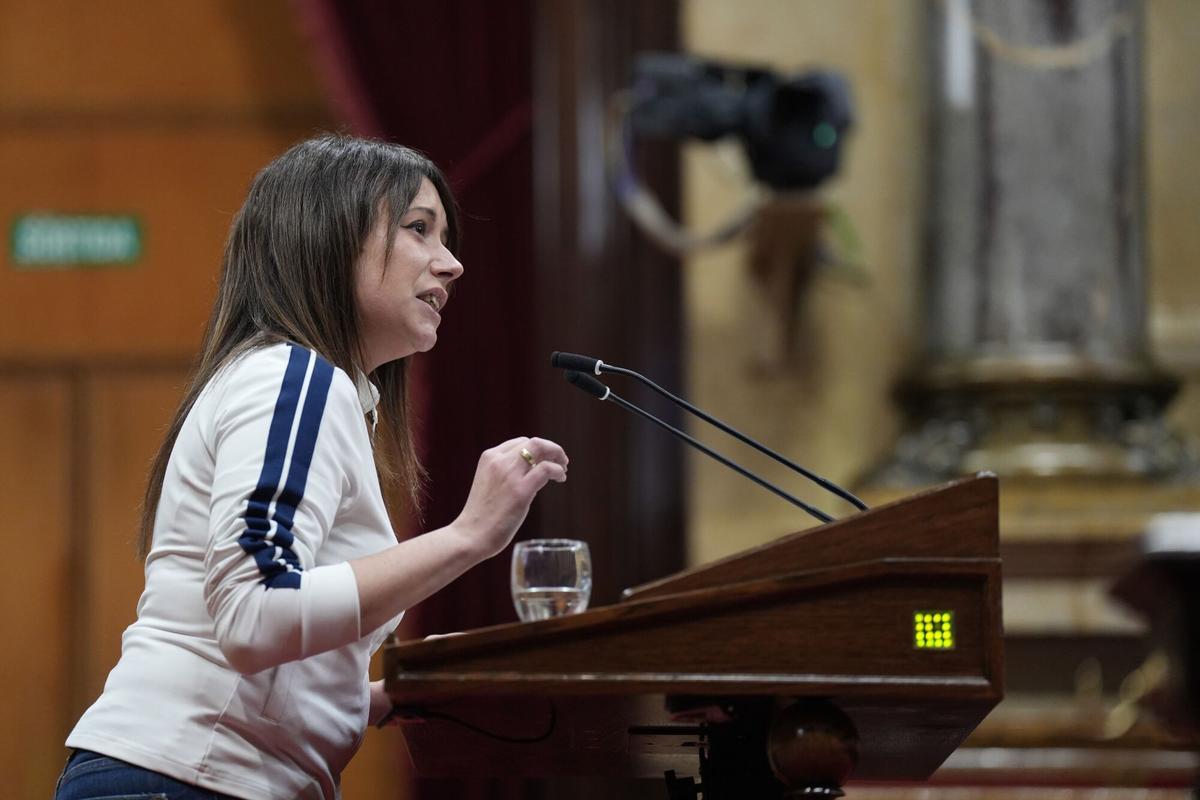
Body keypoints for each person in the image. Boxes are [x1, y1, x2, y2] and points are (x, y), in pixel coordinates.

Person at [54, 134, 569, 800]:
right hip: (184, 776)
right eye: (419, 229)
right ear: (330, 238)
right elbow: (254, 611)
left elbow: (259, 639)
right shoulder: (294, 379)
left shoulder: (309, 387)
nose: (452, 265)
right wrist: (469, 536)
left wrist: (370, 699)